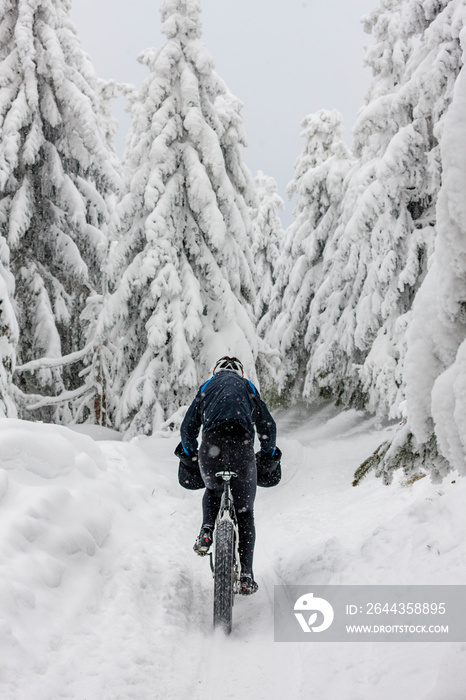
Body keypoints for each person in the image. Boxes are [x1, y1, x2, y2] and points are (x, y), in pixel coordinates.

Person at [179, 355, 278, 595]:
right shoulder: (247, 386)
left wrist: (189, 453)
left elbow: (188, 427)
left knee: (212, 489)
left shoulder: (207, 386)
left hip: (211, 447)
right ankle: (246, 575)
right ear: (240, 372)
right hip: (242, 448)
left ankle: (205, 531)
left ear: (216, 371)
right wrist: (268, 453)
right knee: (244, 512)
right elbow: (267, 425)